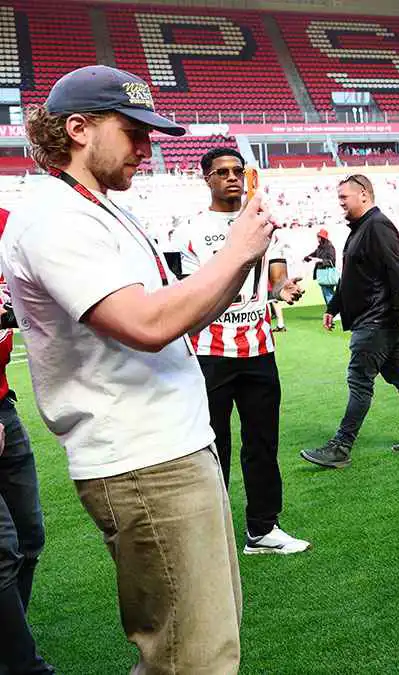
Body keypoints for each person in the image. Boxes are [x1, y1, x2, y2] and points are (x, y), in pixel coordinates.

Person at [1, 65, 275, 672]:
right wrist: (236, 250)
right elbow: (147, 324)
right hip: (142, 458)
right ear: (79, 129)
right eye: (133, 132)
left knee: (206, 644)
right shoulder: (55, 217)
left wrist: (238, 261)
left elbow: (181, 315)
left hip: (170, 444)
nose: (147, 150)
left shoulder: (95, 207)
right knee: (190, 658)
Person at [175, 147, 311, 555]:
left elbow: (276, 276)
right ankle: (211, 535)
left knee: (262, 444)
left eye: (237, 171)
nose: (231, 177)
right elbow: (186, 291)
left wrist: (282, 288)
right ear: (207, 178)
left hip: (259, 350)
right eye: (222, 172)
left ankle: (263, 530)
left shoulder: (264, 225)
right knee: (212, 447)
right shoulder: (188, 231)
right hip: (209, 351)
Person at [301, 174, 399, 468]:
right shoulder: (361, 228)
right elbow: (352, 276)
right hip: (376, 319)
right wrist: (333, 307)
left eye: (344, 197)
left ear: (364, 194)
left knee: (359, 380)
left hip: (376, 320)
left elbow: (395, 270)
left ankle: (341, 447)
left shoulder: (377, 226)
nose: (340, 203)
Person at [0, 208, 53, 675]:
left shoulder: (10, 226)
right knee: (2, 547)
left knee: (29, 536)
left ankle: (10, 643)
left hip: (4, 407)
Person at [305, 228, 339, 305]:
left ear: (323, 238)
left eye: (319, 237)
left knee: (328, 294)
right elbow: (313, 254)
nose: (317, 238)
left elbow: (332, 261)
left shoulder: (330, 247)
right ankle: (336, 309)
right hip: (323, 274)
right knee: (329, 293)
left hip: (328, 274)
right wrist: (307, 258)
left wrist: (320, 260)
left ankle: (333, 309)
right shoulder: (319, 248)